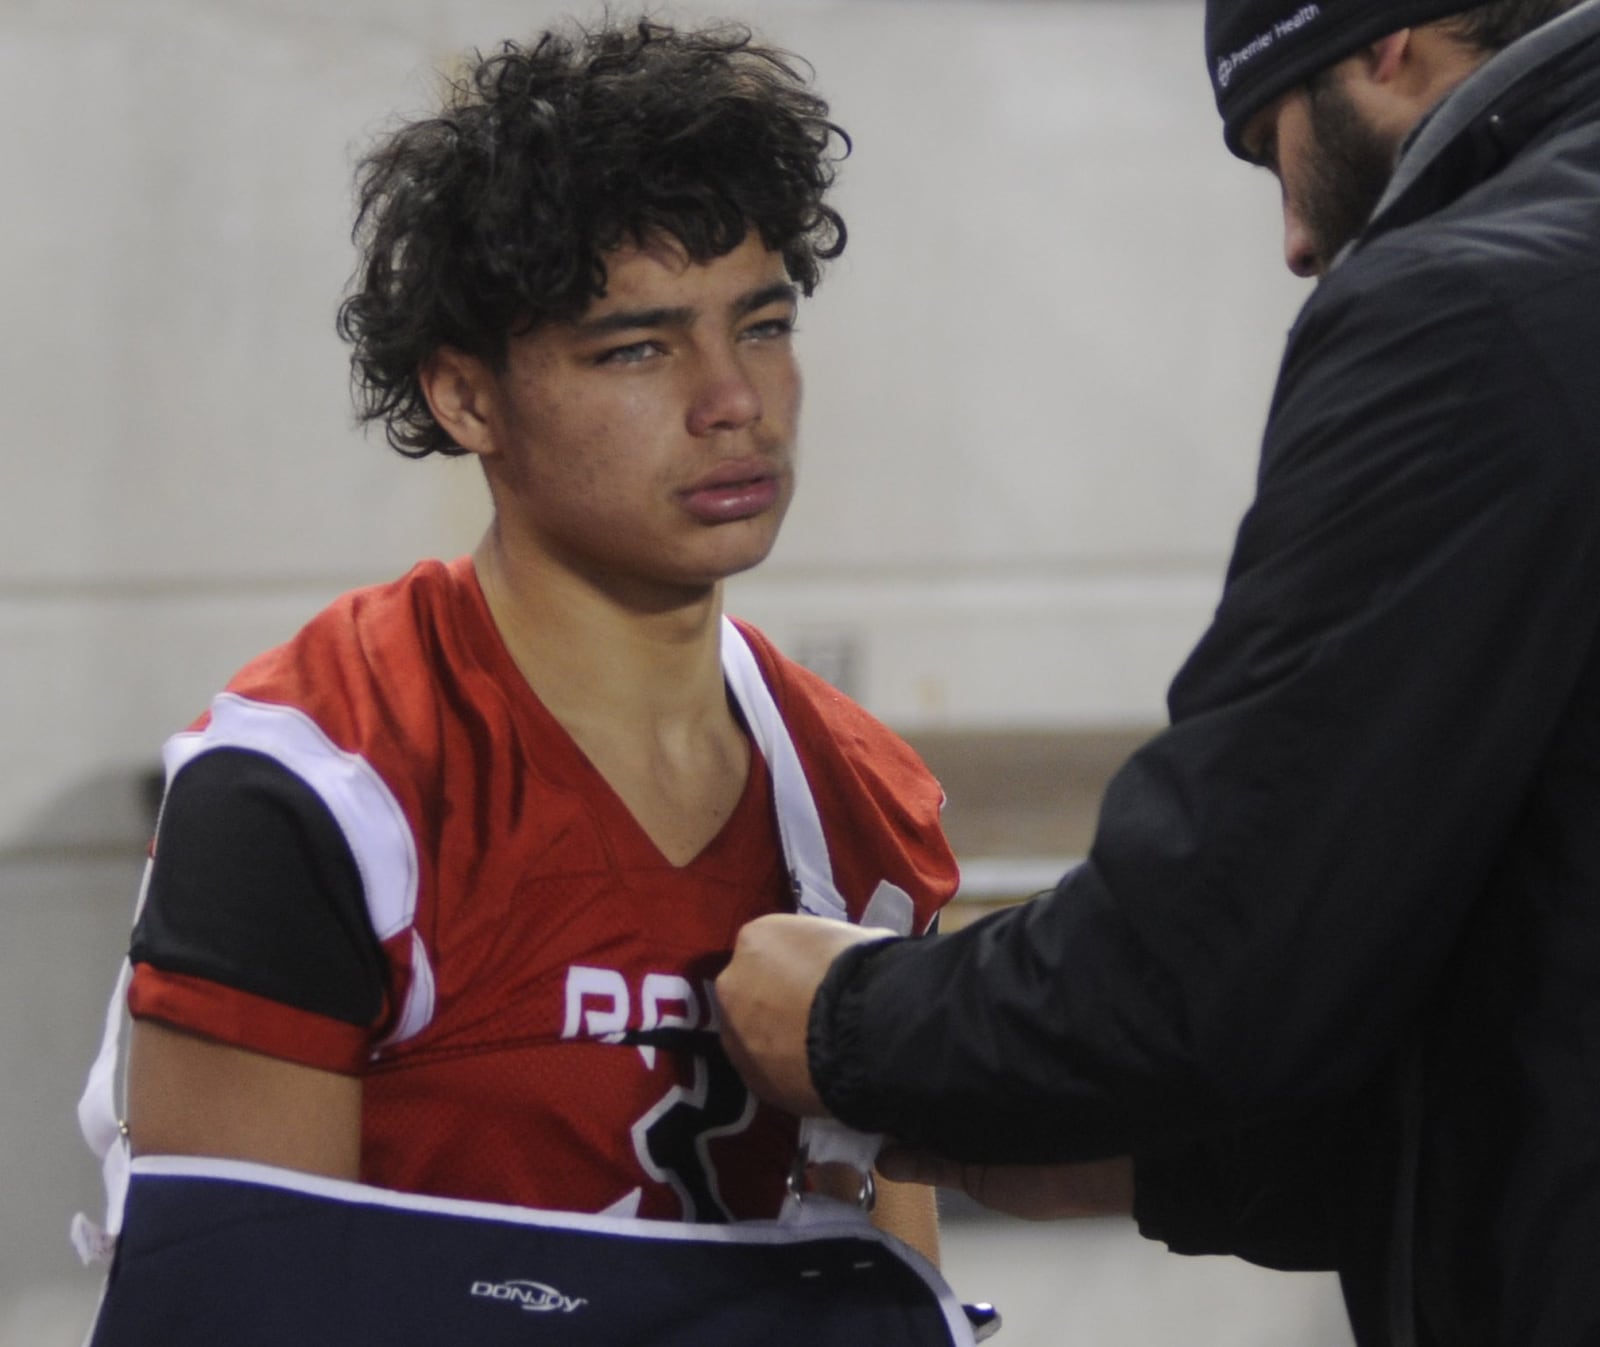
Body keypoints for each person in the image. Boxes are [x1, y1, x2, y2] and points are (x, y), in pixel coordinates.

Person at [714, 1, 1600, 1343]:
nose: (1300, 241)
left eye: (1272, 146)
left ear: (1382, 42)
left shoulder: (1472, 307)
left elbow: (1223, 943)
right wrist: (1175, 1158)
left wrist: (845, 1024)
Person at [86, 16, 957, 1273]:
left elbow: (899, 1290)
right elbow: (238, 1309)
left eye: (760, 326)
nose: (733, 401)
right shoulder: (317, 787)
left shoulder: (862, 802)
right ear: (465, 395)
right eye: (640, 348)